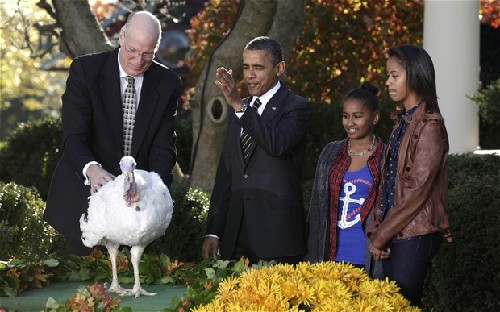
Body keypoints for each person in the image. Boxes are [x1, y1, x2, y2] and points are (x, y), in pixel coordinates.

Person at [44, 11, 181, 256]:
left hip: (138, 214)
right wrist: (92, 169)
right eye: (132, 50)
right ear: (121, 37)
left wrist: (151, 189)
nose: (138, 61)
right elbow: (74, 136)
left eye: (147, 54)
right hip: (84, 208)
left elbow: (163, 147)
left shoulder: (167, 83)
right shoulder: (86, 71)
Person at [201, 36, 311, 264]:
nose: (249, 75)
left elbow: (276, 144)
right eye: (246, 67)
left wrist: (240, 106)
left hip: (277, 239)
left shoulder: (296, 107)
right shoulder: (239, 110)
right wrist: (214, 230)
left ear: (279, 68)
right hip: (236, 239)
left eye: (258, 68)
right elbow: (227, 173)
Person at [367, 44, 452, 306]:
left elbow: (416, 192)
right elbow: (389, 183)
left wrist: (381, 237)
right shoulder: (403, 122)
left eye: (394, 75)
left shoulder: (430, 126)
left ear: (414, 76)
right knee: (392, 304)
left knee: (402, 305)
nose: (388, 82)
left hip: (416, 233)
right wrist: (377, 227)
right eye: (388, 75)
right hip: (398, 231)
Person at [304, 82, 384, 278]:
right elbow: (317, 208)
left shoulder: (386, 157)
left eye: (357, 116)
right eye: (346, 116)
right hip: (329, 256)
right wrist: (311, 256)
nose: (350, 123)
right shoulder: (331, 153)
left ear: (375, 117)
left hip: (367, 258)